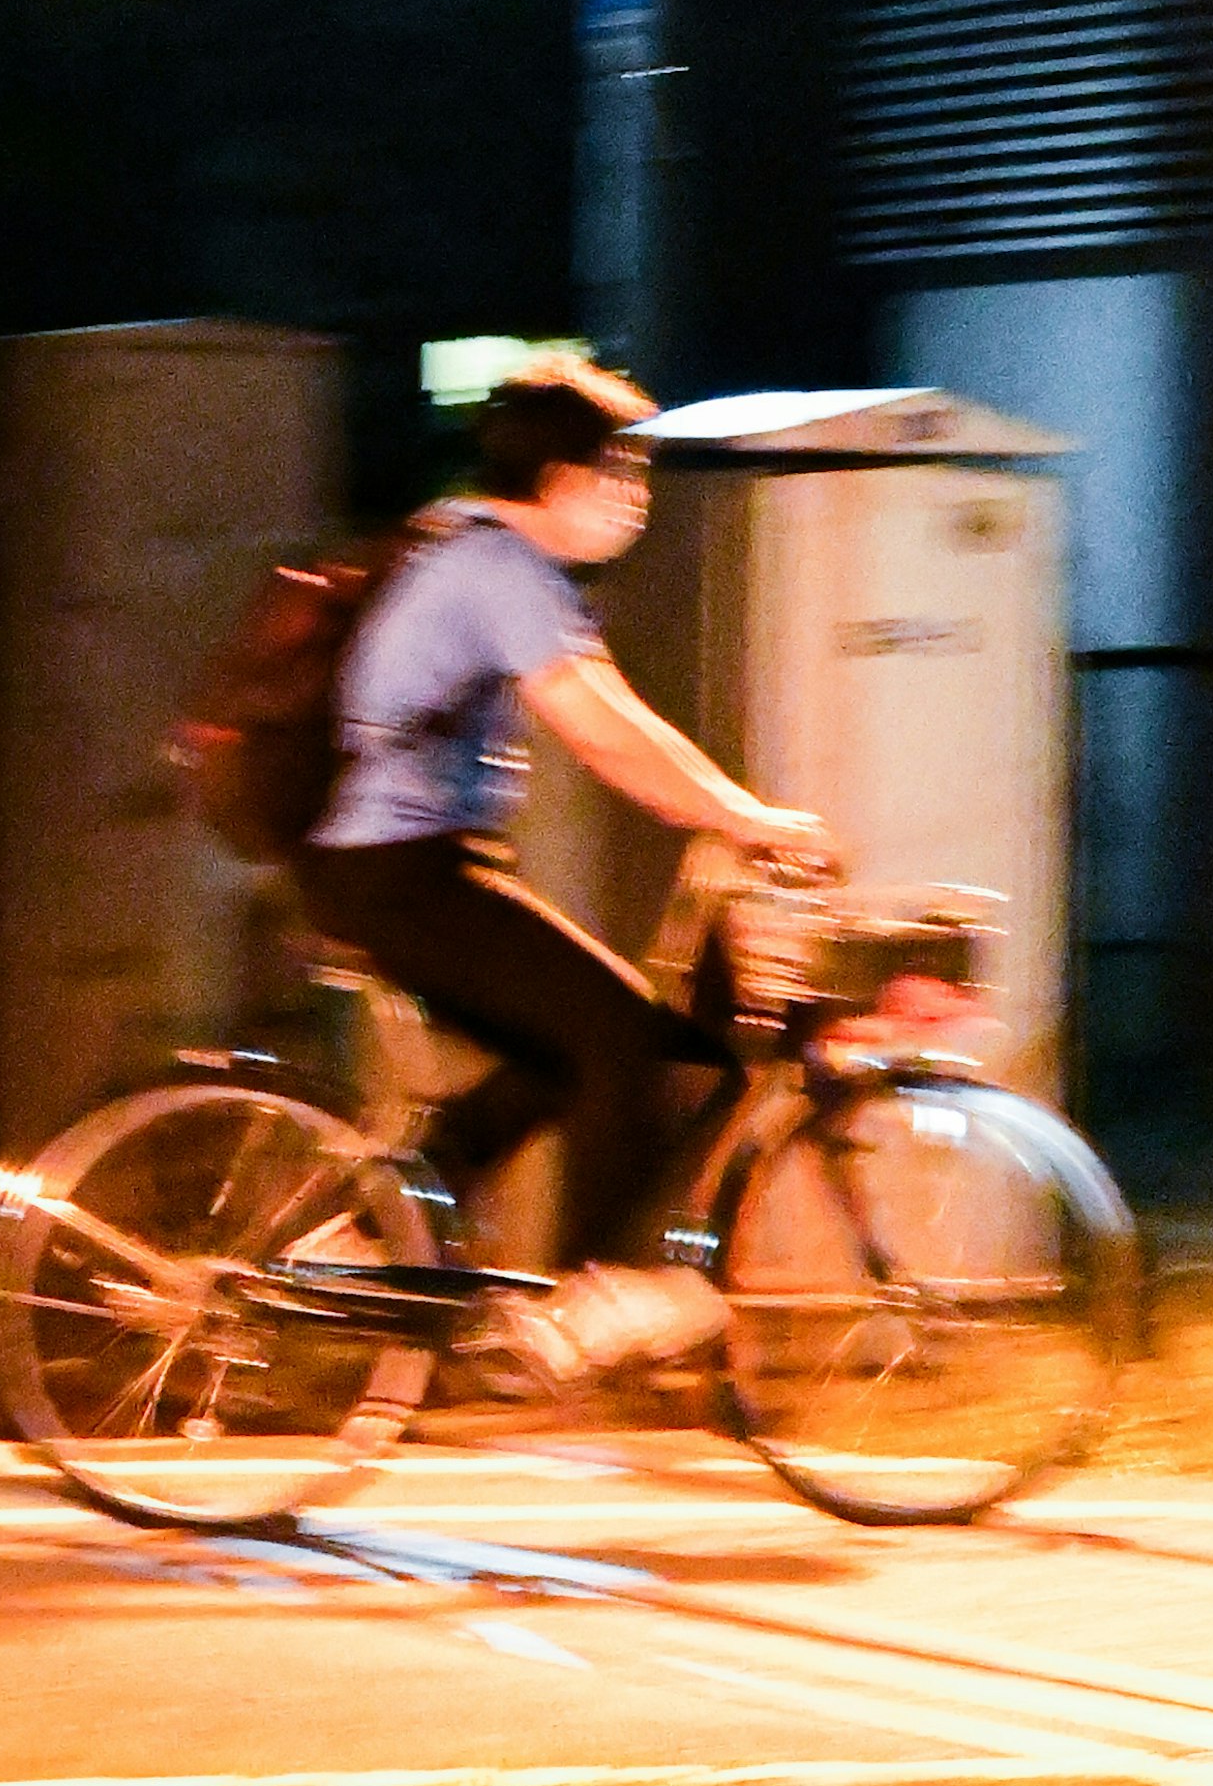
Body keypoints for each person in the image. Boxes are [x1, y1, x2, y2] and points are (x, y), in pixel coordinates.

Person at [290, 359, 820, 1382]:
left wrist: (722, 814)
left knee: (555, 1057)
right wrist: (748, 818)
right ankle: (597, 1290)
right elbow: (605, 731)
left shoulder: (462, 543)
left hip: (394, 867)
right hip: (398, 874)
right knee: (624, 1039)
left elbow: (614, 723)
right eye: (626, 475)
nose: (640, 499)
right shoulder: (501, 569)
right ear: (566, 481)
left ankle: (359, 1237)